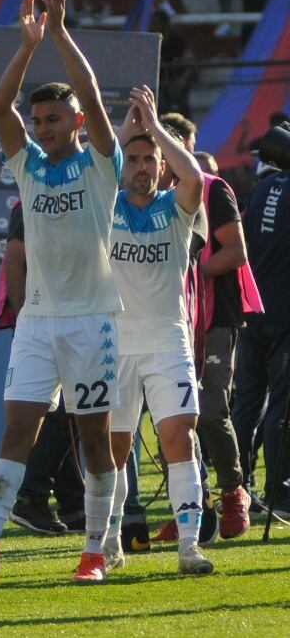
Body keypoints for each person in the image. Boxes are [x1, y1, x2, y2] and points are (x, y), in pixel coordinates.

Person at [0, 0, 123, 583]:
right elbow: (0, 109)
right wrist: (26, 47)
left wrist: (62, 34)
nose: (41, 128)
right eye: (37, 120)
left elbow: (93, 98)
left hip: (93, 319)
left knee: (93, 441)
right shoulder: (28, 165)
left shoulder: (100, 161)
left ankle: (95, 550)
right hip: (39, 323)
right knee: (18, 427)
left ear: (74, 122)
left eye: (53, 119)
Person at [102, 87, 213, 575]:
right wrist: (127, 131)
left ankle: (188, 545)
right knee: (113, 448)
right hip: (114, 344)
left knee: (178, 437)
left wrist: (155, 126)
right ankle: (107, 540)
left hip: (168, 342)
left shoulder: (177, 206)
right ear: (122, 164)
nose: (143, 166)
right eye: (134, 159)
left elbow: (194, 177)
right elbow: (95, 165)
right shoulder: (103, 206)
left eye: (150, 159)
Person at [158, 112, 262, 541]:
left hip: (215, 317)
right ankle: (189, 509)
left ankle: (233, 492)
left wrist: (189, 271)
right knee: (169, 414)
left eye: (166, 144)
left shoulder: (214, 189)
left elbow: (236, 252)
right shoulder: (152, 194)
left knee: (212, 407)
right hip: (166, 317)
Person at [1, 200, 87, 536]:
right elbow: (15, 256)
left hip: (80, 320)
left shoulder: (94, 189)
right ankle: (30, 495)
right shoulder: (32, 196)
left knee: (71, 413)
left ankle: (72, 503)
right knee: (56, 414)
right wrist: (25, 318)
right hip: (38, 321)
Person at [236, 143, 290, 520]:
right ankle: (280, 491)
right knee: (282, 407)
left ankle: (235, 489)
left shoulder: (257, 193)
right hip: (283, 314)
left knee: (247, 402)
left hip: (251, 310)